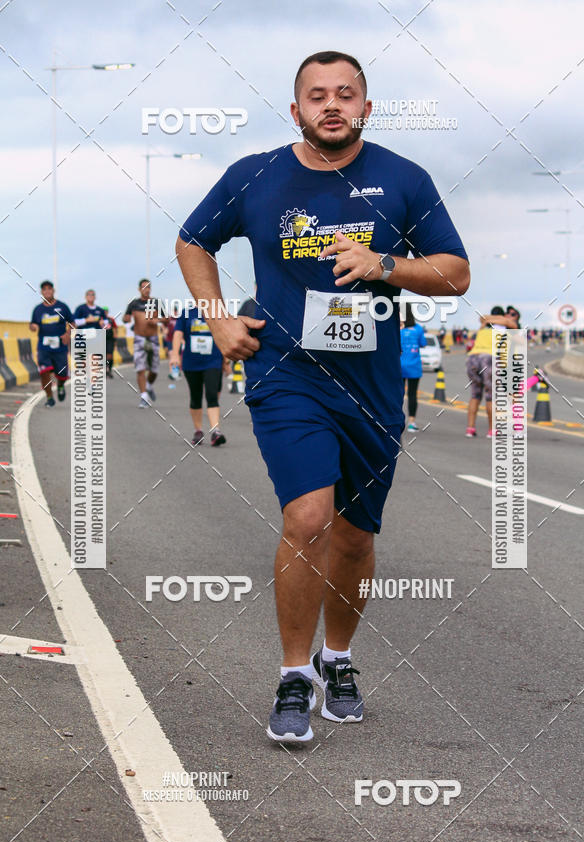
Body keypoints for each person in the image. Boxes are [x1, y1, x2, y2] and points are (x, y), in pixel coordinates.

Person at [176, 50, 469, 743]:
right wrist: (216, 315)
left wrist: (387, 264)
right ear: (296, 109)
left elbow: (454, 273)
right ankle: (291, 676)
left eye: (345, 94)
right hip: (287, 373)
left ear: (365, 107)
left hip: (369, 382)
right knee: (308, 516)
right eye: (316, 95)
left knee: (354, 536)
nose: (330, 105)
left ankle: (336, 659)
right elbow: (194, 240)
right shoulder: (254, 176)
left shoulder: (403, 179)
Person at [170, 306, 229, 446]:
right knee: (195, 396)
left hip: (213, 361)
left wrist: (226, 358)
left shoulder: (218, 312)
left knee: (212, 394)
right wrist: (175, 355)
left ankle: (216, 431)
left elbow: (224, 334)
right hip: (192, 362)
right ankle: (198, 431)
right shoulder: (187, 313)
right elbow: (178, 334)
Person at [465, 306, 516, 438]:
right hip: (489, 359)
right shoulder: (506, 331)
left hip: (473, 358)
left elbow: (482, 318)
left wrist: (487, 320)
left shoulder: (482, 328)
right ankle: (492, 430)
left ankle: (470, 428)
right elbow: (513, 325)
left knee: (475, 394)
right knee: (491, 396)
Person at [122, 279, 167, 407]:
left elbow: (167, 319)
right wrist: (126, 319)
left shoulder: (157, 302)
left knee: (154, 369)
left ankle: (149, 385)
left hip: (153, 338)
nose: (146, 289)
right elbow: (125, 318)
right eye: (143, 287)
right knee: (140, 368)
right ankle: (144, 396)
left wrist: (157, 320)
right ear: (139, 289)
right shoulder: (134, 304)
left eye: (148, 287)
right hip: (139, 339)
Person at [29, 280, 74, 407]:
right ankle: (49, 397)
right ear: (42, 292)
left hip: (60, 347)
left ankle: (60, 386)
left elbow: (72, 323)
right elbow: (33, 324)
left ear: (53, 291)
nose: (47, 291)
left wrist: (67, 334)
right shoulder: (38, 309)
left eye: (49, 289)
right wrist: (32, 327)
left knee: (61, 375)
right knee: (44, 372)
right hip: (44, 347)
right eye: (44, 289)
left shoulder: (62, 307)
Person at [400, 303, 426, 432]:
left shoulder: (397, 328)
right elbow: (423, 343)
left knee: (398, 394)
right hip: (414, 366)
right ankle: (411, 422)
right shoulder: (418, 329)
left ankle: (398, 420)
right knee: (412, 394)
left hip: (399, 366)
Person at [102, 307, 117, 378]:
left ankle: (109, 369)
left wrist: (115, 339)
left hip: (110, 339)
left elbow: (114, 329)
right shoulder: (99, 320)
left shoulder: (111, 319)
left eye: (106, 311)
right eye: (104, 311)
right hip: (101, 339)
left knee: (110, 355)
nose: (105, 312)